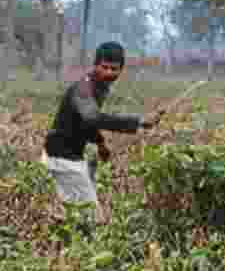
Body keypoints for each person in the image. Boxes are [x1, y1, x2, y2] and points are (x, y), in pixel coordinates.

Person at [42, 41, 163, 226]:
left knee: (77, 214)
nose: (108, 72)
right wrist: (139, 121)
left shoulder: (99, 87)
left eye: (114, 69)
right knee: (93, 219)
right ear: (95, 65)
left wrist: (100, 144)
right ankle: (64, 242)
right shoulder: (83, 88)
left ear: (121, 69)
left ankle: (60, 238)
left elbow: (85, 123)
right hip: (62, 157)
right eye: (104, 67)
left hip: (69, 155)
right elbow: (93, 118)